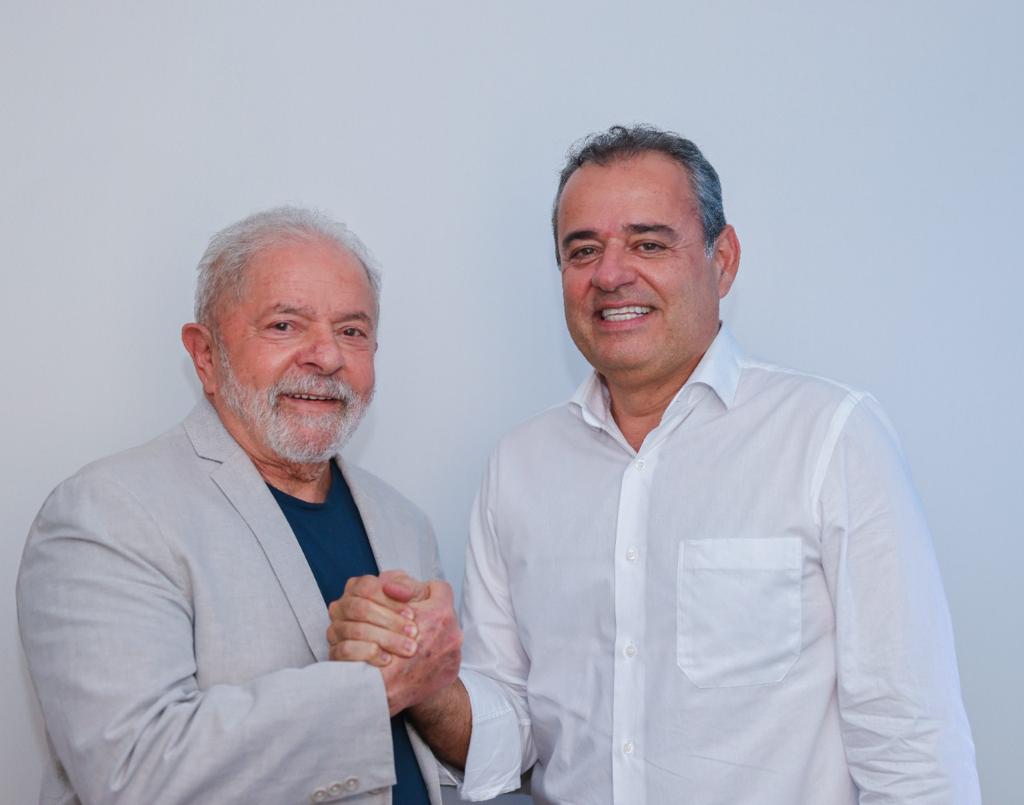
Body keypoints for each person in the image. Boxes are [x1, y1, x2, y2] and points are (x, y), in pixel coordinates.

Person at [328, 126, 982, 804]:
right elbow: (512, 727)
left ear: (722, 260)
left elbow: (911, 748)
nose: (611, 275)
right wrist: (421, 678)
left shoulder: (829, 438)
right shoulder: (518, 467)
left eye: (648, 243)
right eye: (584, 250)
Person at [16, 207, 462, 805]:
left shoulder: (405, 522)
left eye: (352, 331)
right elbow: (134, 773)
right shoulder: (104, 515)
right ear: (205, 355)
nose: (327, 355)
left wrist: (432, 686)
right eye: (285, 325)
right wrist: (378, 689)